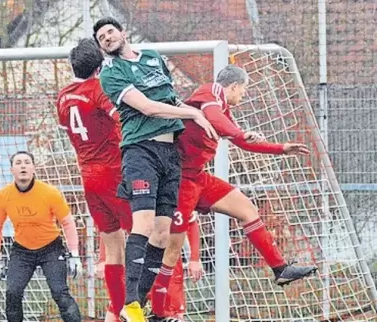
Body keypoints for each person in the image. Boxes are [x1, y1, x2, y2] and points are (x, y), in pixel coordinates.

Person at [159, 65, 318, 315]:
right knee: (171, 251)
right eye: (243, 90)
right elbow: (214, 117)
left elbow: (242, 141)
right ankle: (157, 309)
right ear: (233, 86)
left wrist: (281, 148)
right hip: (179, 182)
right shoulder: (210, 93)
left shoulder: (224, 109)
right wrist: (238, 132)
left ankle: (280, 269)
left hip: (198, 178)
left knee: (247, 209)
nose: (243, 95)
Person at [93, 16, 217, 322]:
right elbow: (148, 106)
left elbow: (168, 98)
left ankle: (137, 304)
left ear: (122, 32)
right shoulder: (111, 73)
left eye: (110, 32)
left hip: (169, 152)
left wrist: (198, 114)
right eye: (101, 38)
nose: (107, 38)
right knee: (144, 225)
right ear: (101, 47)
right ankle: (130, 302)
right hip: (140, 151)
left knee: (162, 234)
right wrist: (193, 114)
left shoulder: (152, 58)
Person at [56, 38, 132, 321]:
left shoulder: (63, 95)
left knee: (113, 244)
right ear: (99, 67)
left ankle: (117, 307)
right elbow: (123, 120)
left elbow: (71, 130)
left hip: (87, 175)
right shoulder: (100, 89)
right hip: (113, 171)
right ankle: (138, 304)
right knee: (142, 237)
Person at [0, 151, 82, 322]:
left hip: (51, 249)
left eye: (27, 162)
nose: (23, 166)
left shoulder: (50, 192)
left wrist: (74, 255)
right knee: (12, 292)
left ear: (34, 168)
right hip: (22, 250)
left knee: (60, 292)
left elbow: (67, 222)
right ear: (11, 170)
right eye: (18, 163)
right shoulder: (3, 196)